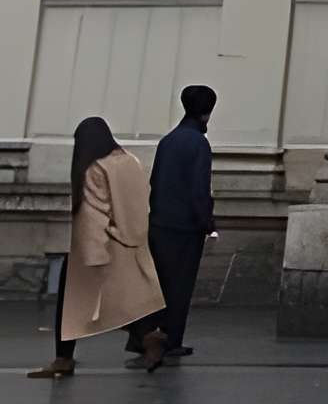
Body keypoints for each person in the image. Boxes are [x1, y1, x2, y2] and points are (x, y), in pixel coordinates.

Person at [31, 118, 167, 378]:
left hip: (102, 247)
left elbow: (93, 216)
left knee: (71, 303)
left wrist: (92, 256)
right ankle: (150, 337)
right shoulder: (131, 161)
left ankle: (63, 358)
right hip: (133, 247)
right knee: (125, 304)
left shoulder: (95, 169)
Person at [147, 84, 217, 361]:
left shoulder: (168, 140)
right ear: (207, 113)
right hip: (185, 227)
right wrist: (207, 222)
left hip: (160, 222)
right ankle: (171, 339)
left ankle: (153, 336)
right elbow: (199, 189)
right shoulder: (199, 143)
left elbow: (154, 181)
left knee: (161, 284)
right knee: (180, 287)